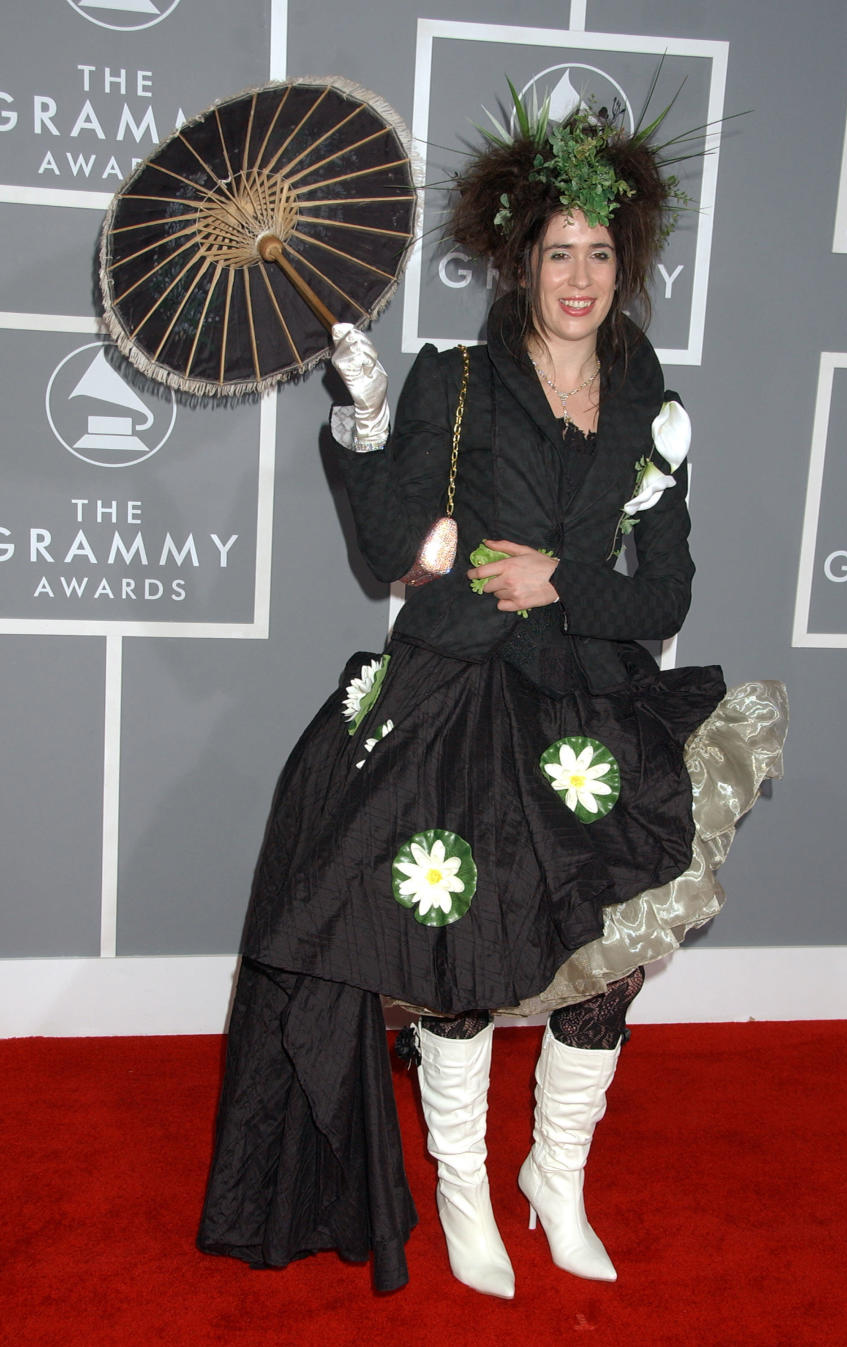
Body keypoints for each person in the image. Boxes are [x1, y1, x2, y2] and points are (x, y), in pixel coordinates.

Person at [197, 95, 787, 1298]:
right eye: (557, 251)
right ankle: (466, 1192)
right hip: (464, 695)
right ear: (521, 263)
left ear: (628, 267)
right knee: (455, 957)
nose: (579, 276)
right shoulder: (455, 379)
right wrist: (366, 421)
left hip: (597, 707)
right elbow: (391, 551)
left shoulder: (649, 400)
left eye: (600, 253)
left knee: (606, 967)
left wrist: (560, 581)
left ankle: (553, 1182)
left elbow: (665, 585)